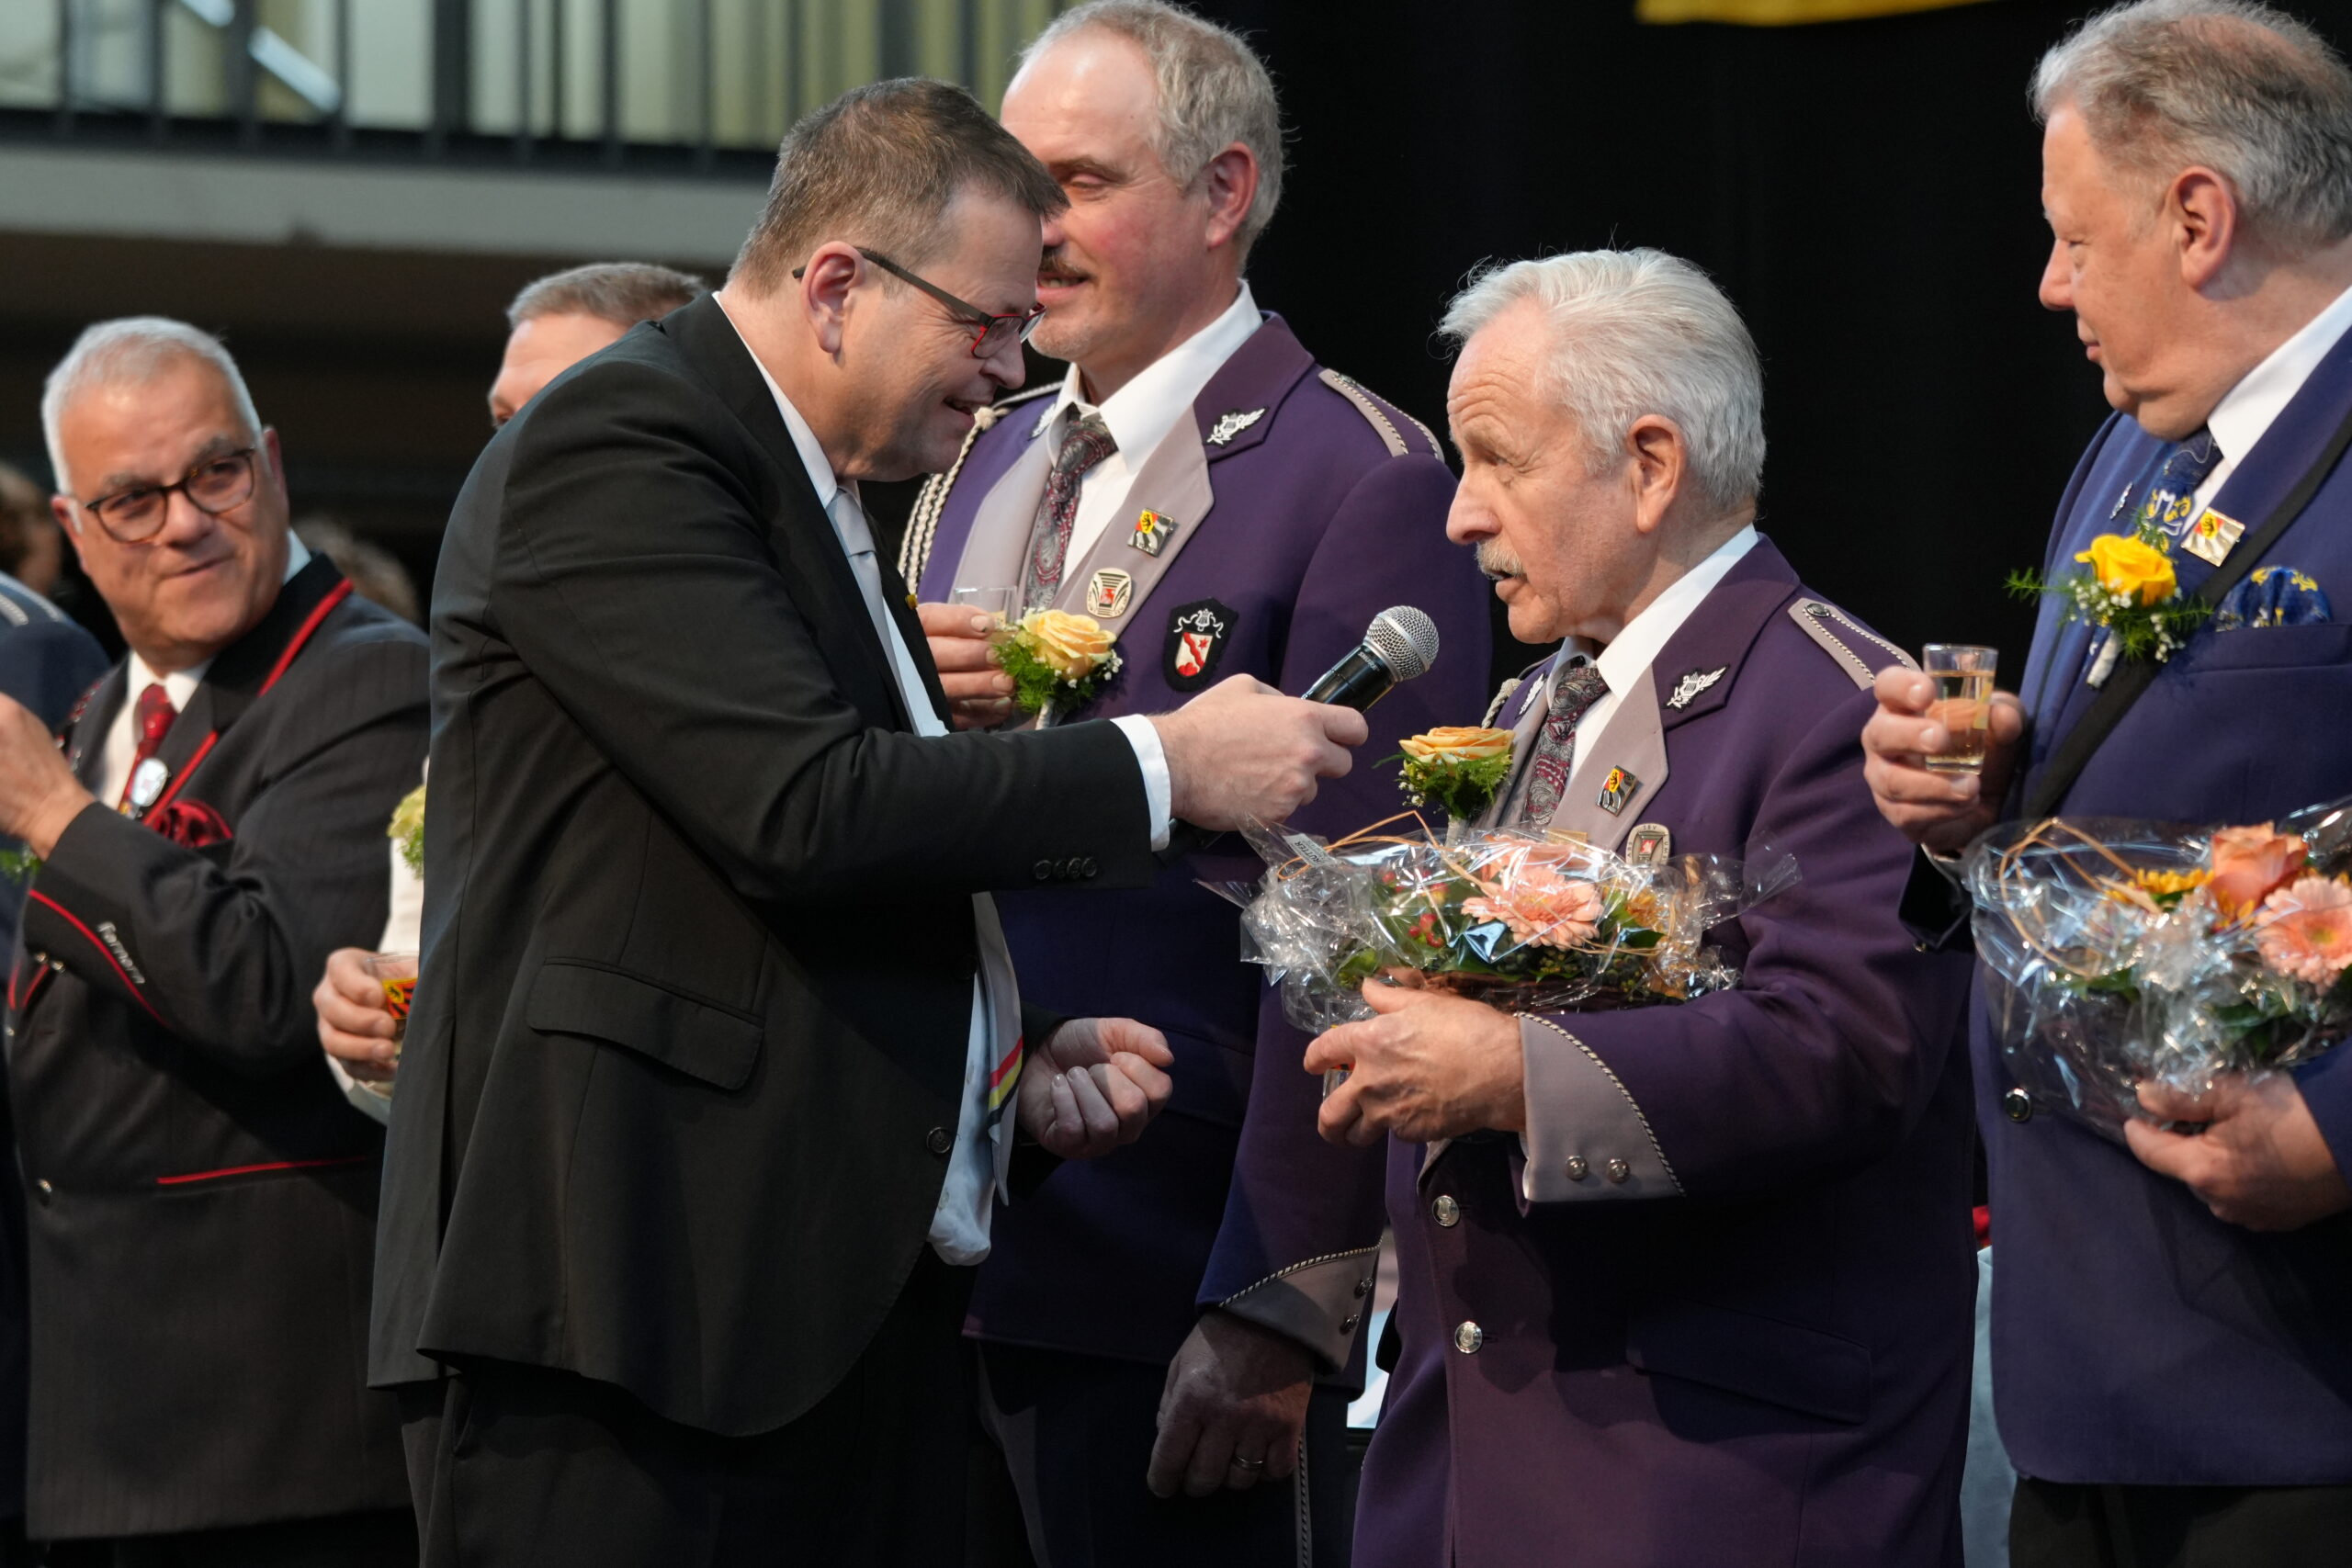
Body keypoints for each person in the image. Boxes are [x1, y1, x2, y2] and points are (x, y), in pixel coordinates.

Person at [368, 78, 1368, 1567]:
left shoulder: (815, 485)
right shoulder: (629, 441)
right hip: (626, 1310)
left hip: (795, 1314)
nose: (1012, 366)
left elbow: (776, 898)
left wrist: (1001, 1061)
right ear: (838, 284)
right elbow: (806, 807)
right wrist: (1165, 761)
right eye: (987, 323)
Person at [903, 6, 1489, 1562]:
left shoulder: (1362, 473)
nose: (1032, 226)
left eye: (1080, 184)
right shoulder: (971, 455)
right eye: (1015, 182)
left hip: (1167, 1268)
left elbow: (1367, 923)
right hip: (935, 1247)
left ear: (1224, 192)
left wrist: (1278, 1298)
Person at [1304, 250, 1978, 1567]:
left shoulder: (1846, 703)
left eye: (1497, 460)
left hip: (1714, 1481)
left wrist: (1510, 1071)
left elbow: (1847, 1048)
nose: (1460, 515)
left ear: (1651, 464)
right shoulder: (1530, 704)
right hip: (1471, 1466)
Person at [1864, 4, 2352, 1562]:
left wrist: (2343, 1130)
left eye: (2077, 239)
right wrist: (1979, 802)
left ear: (2199, 219)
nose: (2050, 283)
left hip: (2301, 1384)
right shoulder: (2140, 447)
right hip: (2089, 1374)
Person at [0, 317, 427, 1562]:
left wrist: (52, 816)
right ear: (76, 530)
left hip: (278, 1434)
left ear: (272, 465)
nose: (185, 523)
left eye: (216, 473)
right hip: (107, 1421)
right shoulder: (99, 710)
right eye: (133, 500)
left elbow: (267, 986)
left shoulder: (369, 677)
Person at [313, 260, 706, 1119]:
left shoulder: (771, 657)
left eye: (564, 409)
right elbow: (418, 987)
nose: (518, 451)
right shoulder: (485, 688)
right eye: (503, 421)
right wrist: (371, 1035)